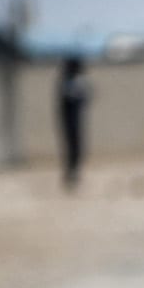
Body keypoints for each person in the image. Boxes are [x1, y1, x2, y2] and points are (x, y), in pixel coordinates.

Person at [57, 57, 91, 191]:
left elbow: (86, 98)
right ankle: (71, 172)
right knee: (71, 147)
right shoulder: (66, 83)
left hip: (75, 120)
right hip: (69, 121)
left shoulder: (77, 82)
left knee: (76, 147)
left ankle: (74, 172)